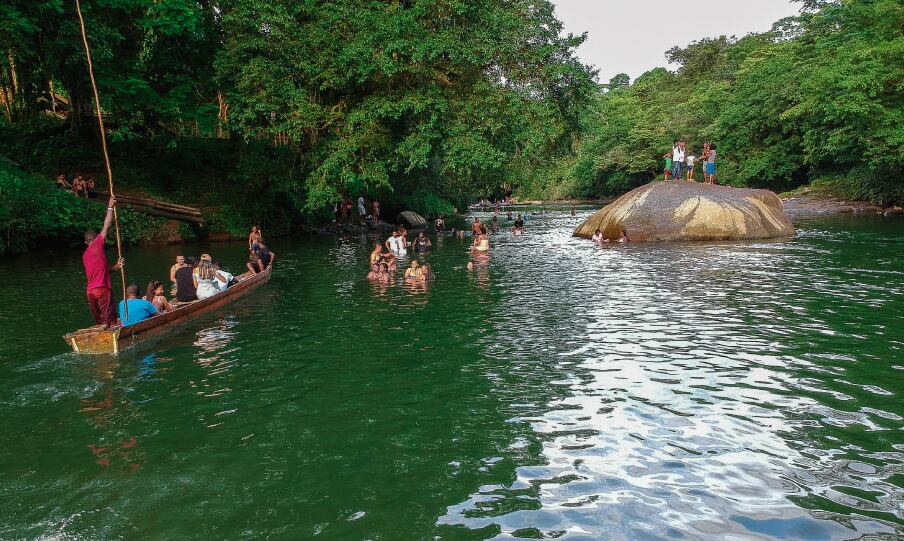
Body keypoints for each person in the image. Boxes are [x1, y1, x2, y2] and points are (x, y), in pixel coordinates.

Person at [83, 196, 124, 328]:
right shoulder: (97, 244)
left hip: (90, 291)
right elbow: (107, 225)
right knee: (110, 321)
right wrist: (110, 206)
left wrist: (116, 267)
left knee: (100, 320)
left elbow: (101, 272)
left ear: (85, 242)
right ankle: (112, 330)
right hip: (102, 289)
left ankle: (102, 330)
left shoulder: (85, 255)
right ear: (96, 239)